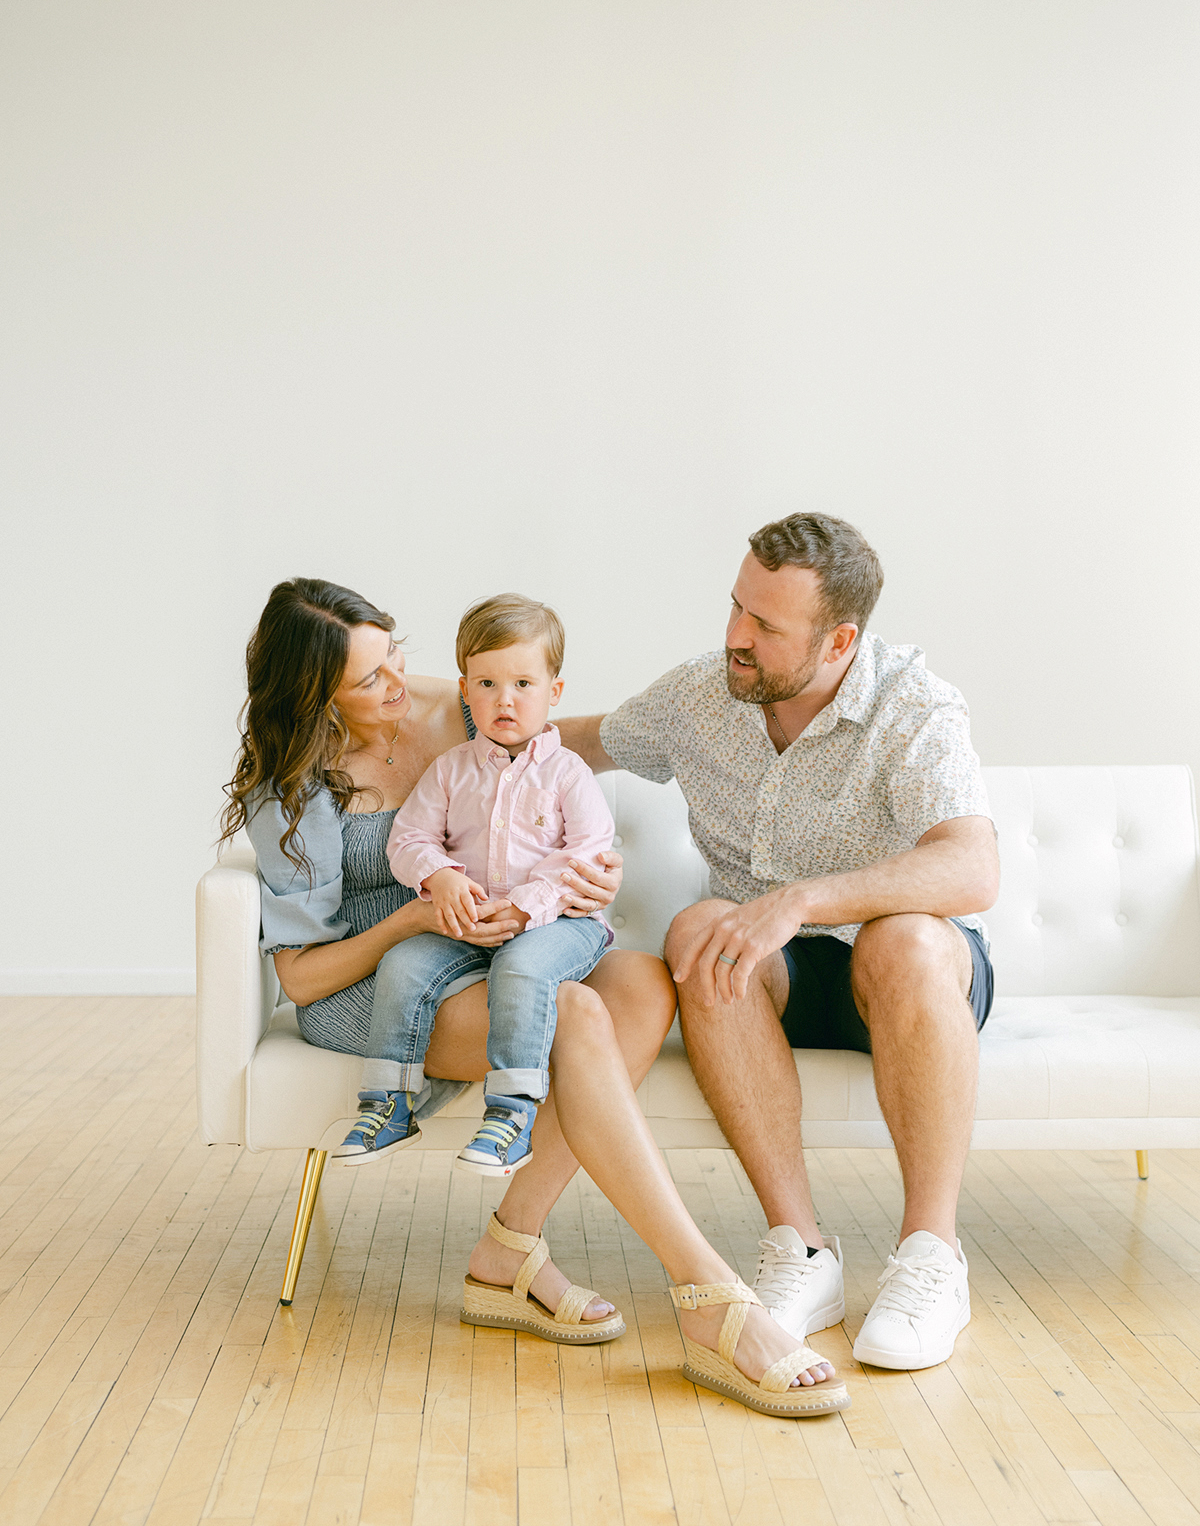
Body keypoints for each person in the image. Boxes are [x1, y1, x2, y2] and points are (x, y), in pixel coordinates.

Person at [221, 577, 851, 1417]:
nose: (399, 687)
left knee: (637, 982)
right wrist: (414, 916)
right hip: (375, 984)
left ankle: (506, 1251)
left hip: (487, 951)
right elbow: (300, 976)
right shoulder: (289, 789)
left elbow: (553, 753)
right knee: (578, 1014)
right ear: (314, 695)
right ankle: (710, 1298)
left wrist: (588, 868)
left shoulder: (450, 708)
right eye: (370, 680)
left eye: (395, 655)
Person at [557, 512, 1000, 1372]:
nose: (735, 637)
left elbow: (972, 867)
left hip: (915, 979)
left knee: (901, 942)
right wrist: (428, 706)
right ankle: (801, 1249)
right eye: (735, 608)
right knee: (699, 930)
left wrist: (805, 899)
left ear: (838, 641)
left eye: (764, 625)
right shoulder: (702, 695)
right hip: (774, 982)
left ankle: (932, 1257)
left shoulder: (913, 704)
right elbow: (569, 737)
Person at [334, 593, 615, 1178]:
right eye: (486, 684)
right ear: (465, 690)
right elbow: (407, 840)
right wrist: (440, 878)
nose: (504, 700)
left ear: (553, 691)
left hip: (557, 924)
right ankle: (389, 1103)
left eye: (522, 683)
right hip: (466, 921)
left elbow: (584, 854)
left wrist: (525, 909)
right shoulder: (451, 769)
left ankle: (511, 1112)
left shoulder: (568, 774)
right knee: (404, 963)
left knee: (522, 970)